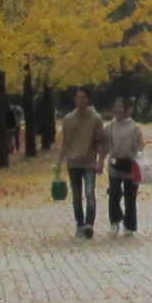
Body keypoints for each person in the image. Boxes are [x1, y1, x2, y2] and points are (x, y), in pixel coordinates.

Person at [55, 87, 108, 237]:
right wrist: (59, 161)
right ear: (75, 99)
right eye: (78, 97)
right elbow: (65, 142)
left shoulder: (95, 118)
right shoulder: (68, 119)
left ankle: (89, 224)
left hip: (89, 162)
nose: (80, 100)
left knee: (89, 192)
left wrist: (100, 160)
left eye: (83, 97)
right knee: (76, 195)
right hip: (73, 162)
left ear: (88, 99)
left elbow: (100, 141)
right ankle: (80, 223)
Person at [104, 97, 146, 235]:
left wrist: (136, 157)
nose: (118, 109)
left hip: (130, 165)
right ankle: (115, 221)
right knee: (114, 194)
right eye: (115, 106)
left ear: (126, 109)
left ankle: (129, 225)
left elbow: (139, 146)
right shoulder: (110, 127)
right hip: (114, 165)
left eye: (120, 106)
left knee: (130, 197)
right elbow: (105, 143)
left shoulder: (133, 127)